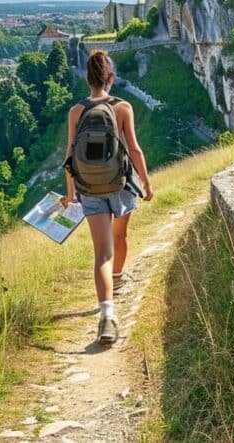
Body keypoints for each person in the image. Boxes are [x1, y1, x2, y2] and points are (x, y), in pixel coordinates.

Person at [62, 50, 153, 345]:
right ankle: (117, 279)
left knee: (102, 252)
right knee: (120, 239)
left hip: (89, 188)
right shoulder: (123, 107)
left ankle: (107, 316)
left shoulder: (77, 111)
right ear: (110, 78)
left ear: (88, 79)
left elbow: (69, 154)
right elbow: (135, 149)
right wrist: (147, 183)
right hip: (121, 186)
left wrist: (70, 191)